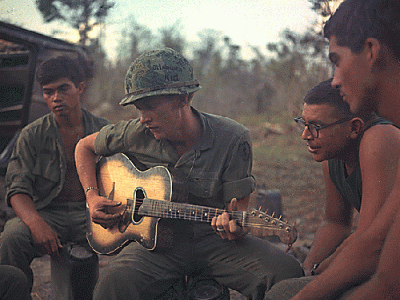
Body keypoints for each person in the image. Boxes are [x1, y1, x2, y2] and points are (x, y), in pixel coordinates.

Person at [74, 48, 303, 300]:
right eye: (139, 108)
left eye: (150, 107)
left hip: (214, 241)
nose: (143, 119)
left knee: (287, 273)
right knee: (112, 284)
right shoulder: (134, 132)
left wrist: (235, 228)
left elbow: (238, 211)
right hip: (153, 246)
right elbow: (83, 147)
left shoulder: (233, 138)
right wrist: (92, 197)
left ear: (183, 99)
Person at [264, 79, 400, 300]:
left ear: (354, 127)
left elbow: (370, 242)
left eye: (316, 127)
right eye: (304, 123)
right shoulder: (332, 154)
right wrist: (308, 270)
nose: (305, 135)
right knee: (284, 288)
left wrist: (322, 273)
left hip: (387, 265)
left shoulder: (380, 139)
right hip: (374, 258)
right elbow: (336, 223)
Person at [0, 56, 109, 294]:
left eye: (63, 89)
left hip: (92, 213)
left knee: (139, 241)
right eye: (48, 92)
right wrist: (36, 223)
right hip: (50, 213)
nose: (56, 98)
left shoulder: (104, 131)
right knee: (11, 237)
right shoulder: (32, 135)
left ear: (79, 88)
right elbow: (17, 190)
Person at [324, 0, 400, 298]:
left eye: (337, 60)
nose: (335, 80)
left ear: (371, 51)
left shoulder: (379, 137)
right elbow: (377, 253)